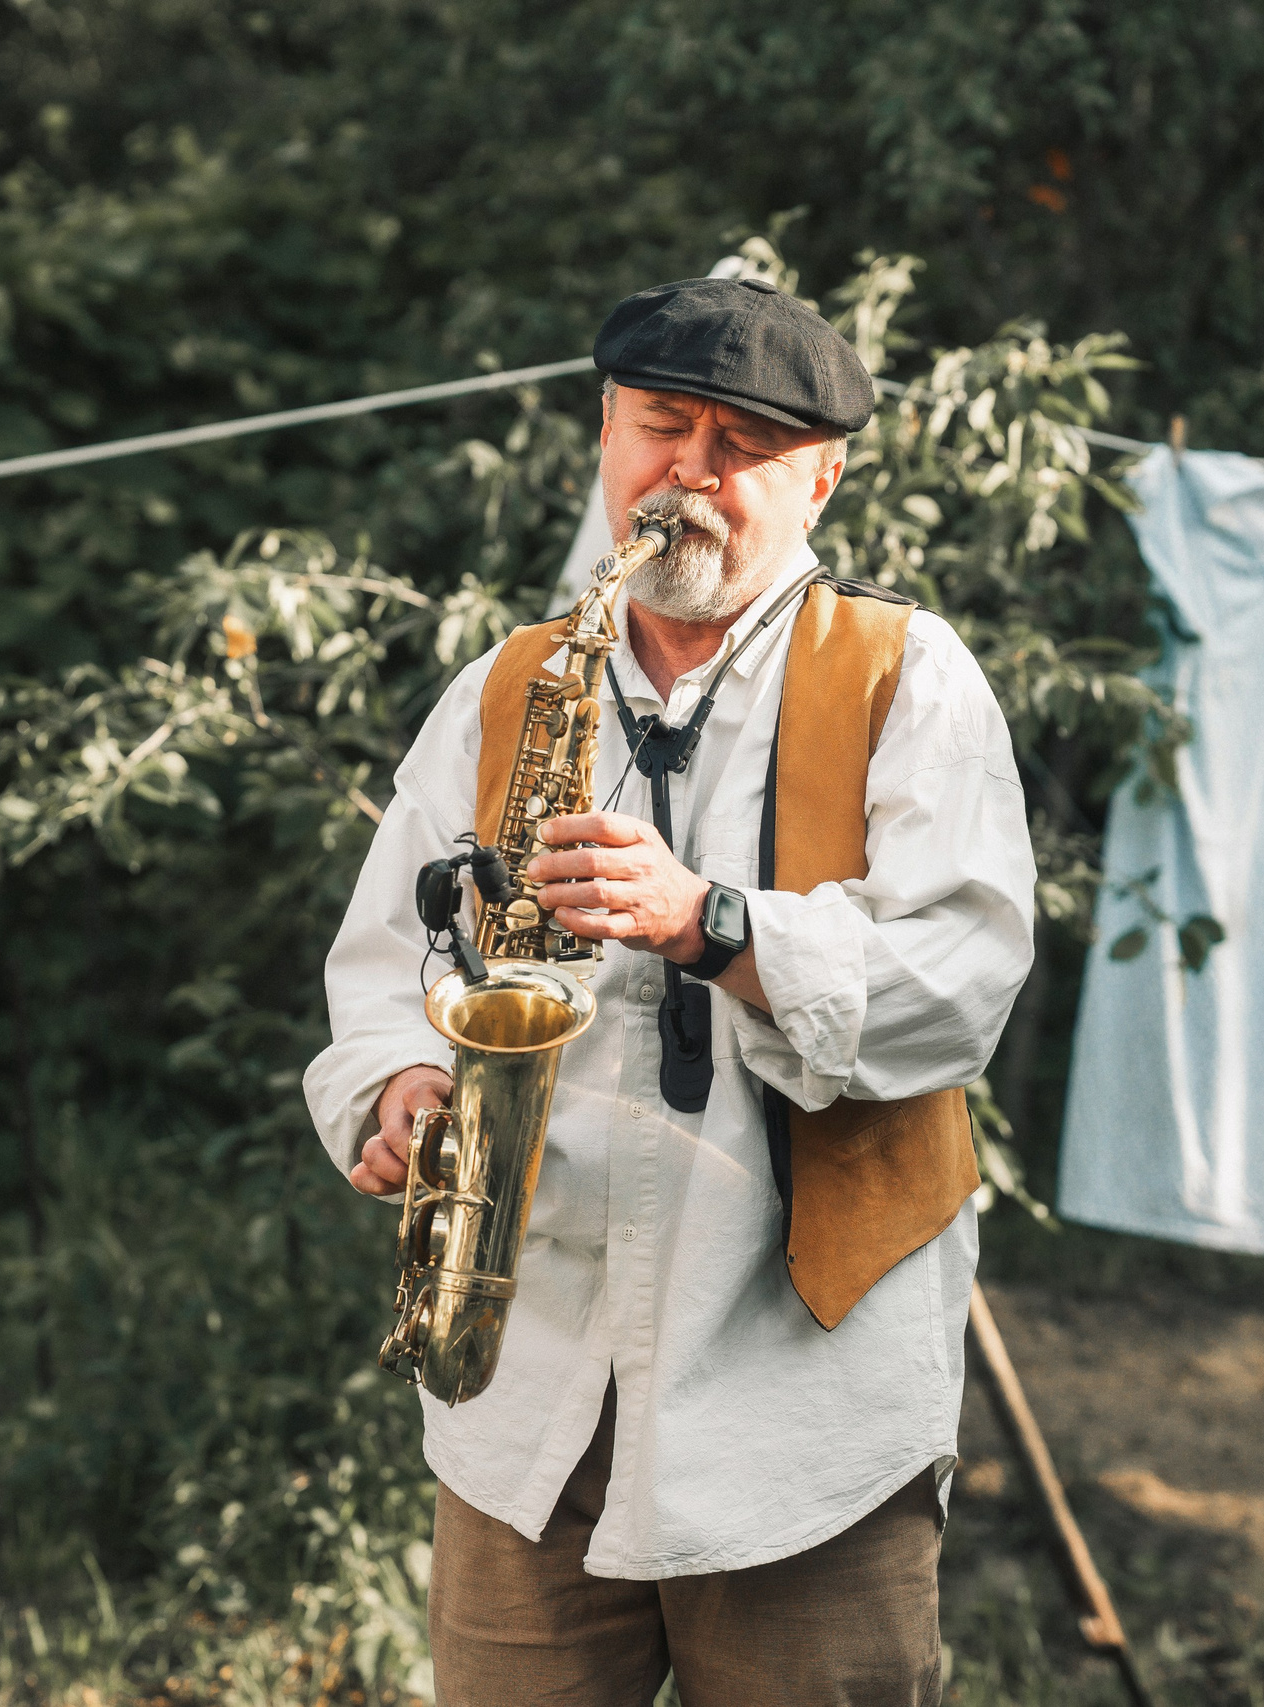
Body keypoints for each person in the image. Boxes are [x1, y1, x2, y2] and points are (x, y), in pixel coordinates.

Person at [304, 275, 1037, 1706]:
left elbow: (961, 985)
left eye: (742, 446)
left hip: (800, 1415)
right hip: (528, 1395)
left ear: (822, 479)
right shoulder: (507, 685)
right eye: (660, 427)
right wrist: (397, 1085)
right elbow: (385, 968)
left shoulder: (910, 678)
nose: (688, 475)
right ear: (605, 434)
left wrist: (710, 924)